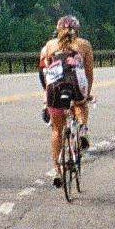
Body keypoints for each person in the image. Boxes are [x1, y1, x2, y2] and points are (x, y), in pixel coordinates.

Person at [38, 15, 94, 184]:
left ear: (58, 30)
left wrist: (46, 94)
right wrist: (87, 94)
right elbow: (89, 73)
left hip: (55, 87)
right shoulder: (84, 44)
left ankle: (57, 171)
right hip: (74, 83)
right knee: (81, 104)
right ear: (78, 31)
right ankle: (82, 129)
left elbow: (45, 71)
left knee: (56, 129)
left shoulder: (50, 45)